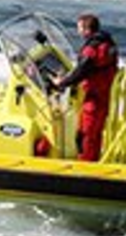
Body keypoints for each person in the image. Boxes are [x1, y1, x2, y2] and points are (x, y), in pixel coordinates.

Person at [51, 14, 119, 162]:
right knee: (96, 133)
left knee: (85, 134)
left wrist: (61, 82)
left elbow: (80, 72)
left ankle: (86, 165)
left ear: (87, 29)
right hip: (105, 94)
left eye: (80, 28)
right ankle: (94, 159)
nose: (78, 31)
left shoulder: (91, 50)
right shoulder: (108, 43)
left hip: (94, 96)